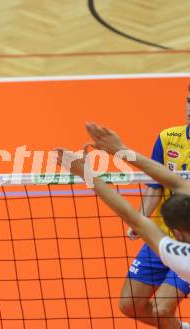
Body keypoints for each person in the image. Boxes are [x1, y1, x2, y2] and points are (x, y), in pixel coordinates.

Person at [54, 122, 190, 329]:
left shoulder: (182, 257)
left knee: (162, 309)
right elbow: (175, 183)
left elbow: (133, 217)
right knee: (130, 305)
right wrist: (121, 151)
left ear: (178, 234)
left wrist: (89, 174)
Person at [117, 97, 190, 329]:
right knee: (129, 304)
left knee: (161, 309)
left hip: (188, 243)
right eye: (189, 101)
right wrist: (141, 218)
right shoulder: (168, 139)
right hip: (161, 236)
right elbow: (155, 186)